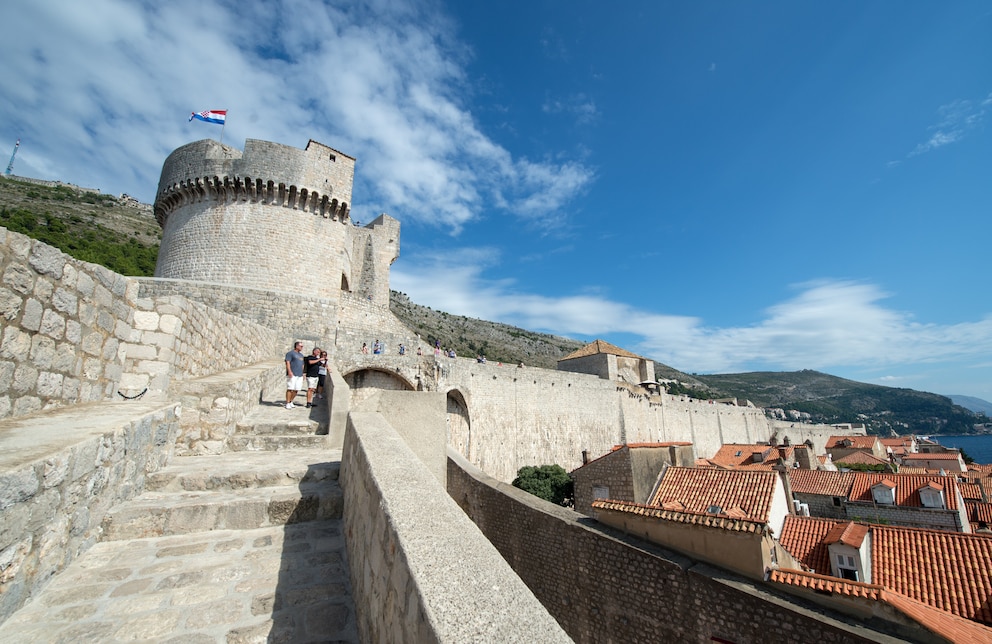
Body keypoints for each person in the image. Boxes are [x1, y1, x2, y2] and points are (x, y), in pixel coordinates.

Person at [285, 341, 305, 409]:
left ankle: (291, 401)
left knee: (297, 389)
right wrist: (289, 371)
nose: (302, 347)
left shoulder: (301, 355)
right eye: (301, 346)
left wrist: (303, 373)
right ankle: (287, 402)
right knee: (290, 388)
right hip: (293, 373)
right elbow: (288, 363)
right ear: (297, 346)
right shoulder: (290, 353)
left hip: (299, 374)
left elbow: (302, 365)